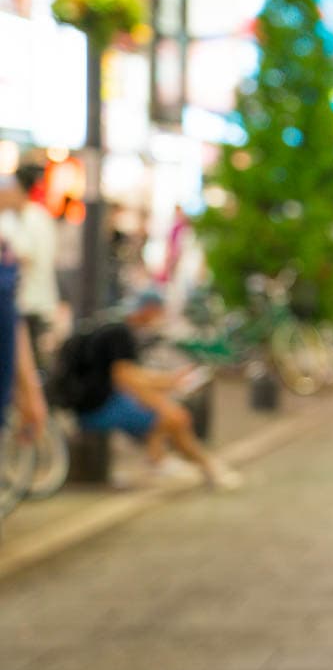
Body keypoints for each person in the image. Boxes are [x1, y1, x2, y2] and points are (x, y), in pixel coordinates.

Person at [66, 291, 241, 490]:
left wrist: (169, 382)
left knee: (171, 414)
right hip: (97, 406)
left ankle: (170, 460)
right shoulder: (121, 333)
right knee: (174, 417)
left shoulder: (115, 327)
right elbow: (126, 377)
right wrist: (167, 386)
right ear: (149, 309)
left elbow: (129, 375)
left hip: (93, 402)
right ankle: (177, 463)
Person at [0, 164, 59, 368]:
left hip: (32, 303)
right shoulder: (12, 218)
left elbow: (24, 255)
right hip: (19, 302)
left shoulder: (36, 218)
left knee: (27, 365)